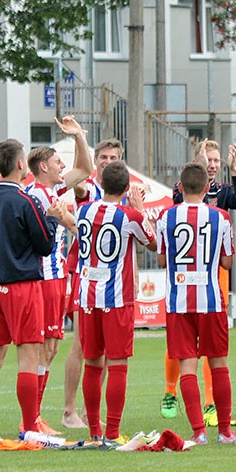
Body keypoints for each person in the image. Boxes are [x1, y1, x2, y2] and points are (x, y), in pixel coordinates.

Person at [0, 139, 63, 444]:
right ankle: (30, 429)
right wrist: (52, 218)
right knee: (27, 359)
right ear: (19, 164)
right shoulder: (26, 201)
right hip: (22, 288)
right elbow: (45, 245)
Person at [156, 162, 236, 444]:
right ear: (207, 188)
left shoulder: (166, 217)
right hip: (211, 300)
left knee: (187, 366)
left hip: (178, 302)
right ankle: (226, 432)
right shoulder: (220, 217)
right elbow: (228, 262)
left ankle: (198, 432)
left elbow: (160, 260)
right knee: (219, 364)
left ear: (180, 188)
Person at [76, 161, 156, 446]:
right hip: (116, 297)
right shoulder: (129, 215)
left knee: (93, 363)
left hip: (87, 295)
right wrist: (140, 209)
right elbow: (153, 242)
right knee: (118, 363)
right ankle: (111, 432)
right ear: (125, 189)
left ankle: (94, 432)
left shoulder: (84, 210)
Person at [24, 123, 92, 435]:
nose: (62, 165)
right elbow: (68, 223)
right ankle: (33, 418)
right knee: (42, 347)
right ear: (42, 167)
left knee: (50, 347)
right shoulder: (36, 195)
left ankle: (36, 416)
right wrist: (68, 220)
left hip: (56, 277)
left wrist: (79, 135)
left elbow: (84, 168)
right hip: (43, 278)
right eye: (56, 162)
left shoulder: (52, 190)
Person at [62, 135, 126, 430]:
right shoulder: (89, 189)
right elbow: (77, 180)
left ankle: (92, 413)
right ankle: (69, 409)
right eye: (104, 158)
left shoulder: (122, 193)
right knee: (82, 345)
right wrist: (79, 140)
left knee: (105, 350)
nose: (108, 162)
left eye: (113, 158)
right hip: (84, 274)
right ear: (96, 160)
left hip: (113, 282)